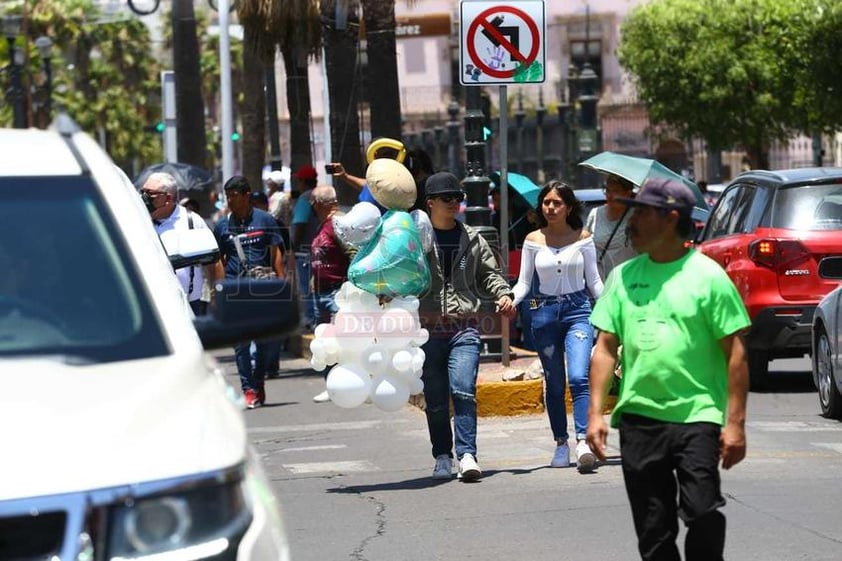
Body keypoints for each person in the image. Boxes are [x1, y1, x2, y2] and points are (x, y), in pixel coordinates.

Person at [586, 178, 751, 561]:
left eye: (642, 211)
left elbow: (736, 353)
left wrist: (736, 424)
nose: (633, 219)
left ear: (670, 218)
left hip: (697, 415)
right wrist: (595, 413)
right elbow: (605, 348)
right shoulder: (622, 277)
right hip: (640, 419)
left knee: (703, 511)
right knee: (653, 532)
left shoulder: (708, 278)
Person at [419, 171, 516, 482]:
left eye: (458, 198)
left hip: (464, 327)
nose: (454, 203)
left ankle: (468, 454)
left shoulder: (472, 238)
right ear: (430, 203)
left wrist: (502, 292)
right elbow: (400, 275)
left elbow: (488, 274)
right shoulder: (416, 240)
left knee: (464, 390)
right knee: (435, 398)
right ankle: (442, 455)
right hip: (427, 329)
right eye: (447, 198)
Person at [511, 181, 603, 472]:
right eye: (546, 202)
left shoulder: (584, 237)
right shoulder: (532, 240)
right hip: (544, 313)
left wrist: (613, 308)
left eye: (557, 203)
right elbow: (524, 283)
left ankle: (582, 442)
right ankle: (560, 443)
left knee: (578, 377)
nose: (550, 208)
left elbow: (595, 281)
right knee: (554, 381)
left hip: (579, 311)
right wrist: (510, 298)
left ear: (569, 207)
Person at [213, 175, 286, 409]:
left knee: (263, 341)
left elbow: (276, 254)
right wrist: (220, 290)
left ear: (247, 196)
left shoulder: (265, 220)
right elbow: (219, 260)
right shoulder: (223, 226)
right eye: (228, 197)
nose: (230, 201)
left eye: (234, 196)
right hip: (235, 290)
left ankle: (258, 379)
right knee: (241, 343)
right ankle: (248, 389)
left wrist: (282, 285)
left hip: (262, 289)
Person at [141, 172, 217, 315]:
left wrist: (216, 297)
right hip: (150, 306)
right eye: (142, 192)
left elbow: (213, 262)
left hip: (189, 306)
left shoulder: (192, 222)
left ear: (167, 198)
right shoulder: (137, 219)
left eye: (150, 193)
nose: (144, 197)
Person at [309, 185, 357, 403]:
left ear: (320, 203)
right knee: (325, 341)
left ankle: (345, 385)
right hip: (320, 292)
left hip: (337, 292)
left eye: (312, 202)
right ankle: (331, 385)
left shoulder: (337, 223)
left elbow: (353, 253)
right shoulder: (323, 226)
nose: (310, 206)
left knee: (339, 342)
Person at [582, 174, 638, 280]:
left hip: (629, 282)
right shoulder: (595, 213)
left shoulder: (637, 216)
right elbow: (585, 245)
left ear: (628, 193)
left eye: (616, 191)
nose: (610, 195)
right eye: (607, 190)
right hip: (600, 284)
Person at [291, 165, 321, 330]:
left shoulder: (304, 197)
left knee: (306, 287)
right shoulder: (320, 195)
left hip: (305, 250)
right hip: (319, 249)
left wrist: (293, 247)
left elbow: (300, 223)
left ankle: (310, 319)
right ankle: (317, 318)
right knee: (317, 286)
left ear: (303, 181)